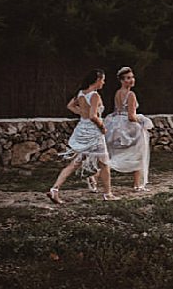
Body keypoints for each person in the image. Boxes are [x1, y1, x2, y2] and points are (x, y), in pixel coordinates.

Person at [47, 69, 119, 203]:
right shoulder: (94, 95)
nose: (104, 82)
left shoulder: (80, 93)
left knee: (74, 163)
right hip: (94, 133)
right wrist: (103, 127)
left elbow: (70, 106)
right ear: (97, 80)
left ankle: (55, 189)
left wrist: (82, 114)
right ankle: (108, 193)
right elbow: (93, 116)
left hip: (82, 130)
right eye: (102, 80)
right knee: (104, 163)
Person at [104, 66, 154, 191]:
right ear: (121, 80)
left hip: (117, 124)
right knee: (138, 153)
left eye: (132, 77)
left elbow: (117, 111)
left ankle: (96, 174)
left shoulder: (117, 93)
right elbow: (131, 116)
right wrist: (142, 120)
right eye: (127, 78)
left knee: (116, 153)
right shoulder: (131, 94)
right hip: (129, 126)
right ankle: (137, 184)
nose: (131, 80)